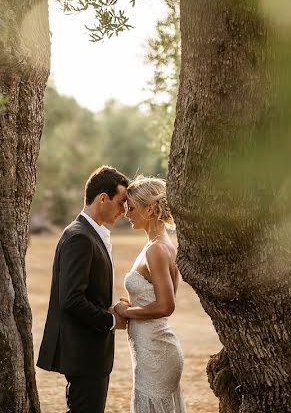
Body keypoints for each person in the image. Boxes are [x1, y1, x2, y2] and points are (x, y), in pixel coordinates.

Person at [37, 165, 130, 413]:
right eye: (121, 202)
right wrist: (110, 319)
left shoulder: (90, 234)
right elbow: (71, 299)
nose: (124, 210)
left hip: (88, 353)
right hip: (84, 353)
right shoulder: (80, 237)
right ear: (102, 199)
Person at [114, 176, 186, 413]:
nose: (127, 214)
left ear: (150, 208)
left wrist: (127, 311)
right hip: (149, 348)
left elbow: (166, 306)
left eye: (131, 208)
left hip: (156, 351)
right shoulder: (157, 244)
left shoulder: (156, 249)